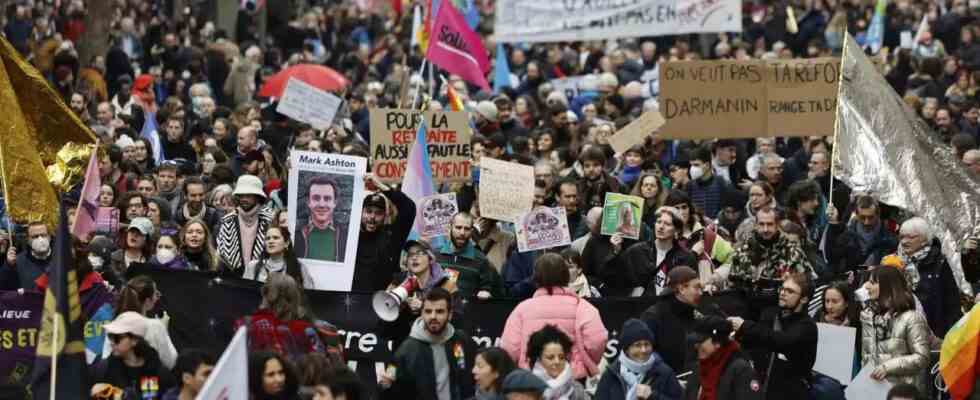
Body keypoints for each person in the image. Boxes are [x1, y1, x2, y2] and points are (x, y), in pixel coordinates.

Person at [501, 253, 608, 380]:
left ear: (535, 278)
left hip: (530, 379)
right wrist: (586, 362)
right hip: (573, 378)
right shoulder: (583, 307)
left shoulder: (522, 309)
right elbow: (597, 341)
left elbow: (509, 348)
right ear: (566, 276)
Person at [727, 272, 818, 400]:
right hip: (763, 389)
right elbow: (758, 341)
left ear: (804, 299)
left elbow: (782, 341)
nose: (782, 293)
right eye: (783, 288)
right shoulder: (772, 315)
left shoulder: (807, 327)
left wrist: (745, 326)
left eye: (790, 291)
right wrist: (736, 336)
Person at [383, 287, 476, 400]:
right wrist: (385, 385)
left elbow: (470, 375)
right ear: (421, 314)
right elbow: (388, 384)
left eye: (439, 311)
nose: (433, 316)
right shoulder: (406, 349)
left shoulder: (461, 340)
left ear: (450, 315)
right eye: (428, 311)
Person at [236, 274, 344, 364]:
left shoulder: (246, 325)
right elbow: (321, 366)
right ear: (296, 296)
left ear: (266, 296)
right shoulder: (311, 329)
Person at [728, 207, 813, 318]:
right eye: (761, 224)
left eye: (770, 224)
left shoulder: (792, 251)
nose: (765, 229)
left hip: (781, 313)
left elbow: (808, 285)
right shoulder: (743, 250)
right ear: (756, 225)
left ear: (777, 225)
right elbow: (733, 284)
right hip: (748, 310)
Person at [860, 266, 931, 394]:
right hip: (874, 391)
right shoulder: (868, 318)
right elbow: (866, 358)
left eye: (873, 282)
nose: (867, 287)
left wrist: (887, 367)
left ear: (888, 285)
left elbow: (922, 357)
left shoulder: (912, 317)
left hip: (904, 393)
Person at [894, 217, 963, 336]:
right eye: (901, 237)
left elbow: (952, 302)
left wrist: (951, 335)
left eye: (911, 237)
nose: (904, 241)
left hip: (934, 332)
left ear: (924, 240)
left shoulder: (939, 262)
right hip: (902, 332)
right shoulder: (892, 261)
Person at [607, 206, 696, 297]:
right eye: (658, 222)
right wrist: (615, 251)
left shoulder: (686, 258)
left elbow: (690, 291)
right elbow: (615, 279)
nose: (661, 227)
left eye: (667, 224)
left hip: (670, 307)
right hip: (639, 307)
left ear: (677, 230)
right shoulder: (636, 251)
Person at [91, 312, 177, 399]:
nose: (112, 342)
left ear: (134, 340)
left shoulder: (158, 372)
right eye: (110, 336)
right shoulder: (104, 369)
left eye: (117, 338)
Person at [353, 174, 416, 291]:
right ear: (361, 212)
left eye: (378, 213)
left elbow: (409, 208)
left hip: (381, 302)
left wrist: (381, 185)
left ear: (385, 216)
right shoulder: (351, 236)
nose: (372, 217)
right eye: (369, 211)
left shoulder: (391, 236)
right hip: (350, 300)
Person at [101, 275, 178, 369]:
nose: (157, 298)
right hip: (147, 380)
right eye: (155, 294)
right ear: (148, 300)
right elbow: (171, 362)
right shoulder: (155, 326)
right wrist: (163, 329)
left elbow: (106, 358)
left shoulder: (114, 325)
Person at [595, 319, 682, 400]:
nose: (643, 350)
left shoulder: (665, 374)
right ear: (627, 349)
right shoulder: (611, 374)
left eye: (647, 344)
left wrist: (652, 395)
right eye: (637, 345)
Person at [640, 266, 703, 375]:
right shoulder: (653, 316)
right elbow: (643, 355)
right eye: (697, 288)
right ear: (681, 289)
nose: (701, 293)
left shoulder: (695, 316)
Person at [683, 316, 761, 400]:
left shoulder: (741, 370)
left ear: (717, 342)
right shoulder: (699, 368)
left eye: (700, 342)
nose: (696, 346)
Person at [436, 212, 506, 300]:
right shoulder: (436, 256)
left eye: (467, 229)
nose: (462, 232)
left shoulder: (481, 259)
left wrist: (486, 293)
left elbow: (495, 291)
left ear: (472, 231)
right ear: (450, 228)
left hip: (469, 311)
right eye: (458, 227)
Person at [217, 174, 276, 275]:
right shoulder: (228, 220)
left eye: (248, 195)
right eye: (241, 195)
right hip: (233, 276)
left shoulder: (271, 219)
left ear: (258, 197)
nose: (244, 199)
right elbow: (221, 253)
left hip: (263, 275)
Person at [524, 325, 589, 400]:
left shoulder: (576, 389)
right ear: (538, 360)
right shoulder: (527, 390)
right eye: (550, 358)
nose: (557, 362)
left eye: (561, 357)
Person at [294, 175, 349, 262]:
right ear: (308, 202)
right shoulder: (295, 236)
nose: (322, 204)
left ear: (335, 202)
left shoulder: (347, 237)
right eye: (316, 198)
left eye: (327, 199)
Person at [812, 281, 862, 376]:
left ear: (846, 303)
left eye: (835, 301)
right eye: (827, 301)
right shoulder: (818, 317)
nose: (829, 306)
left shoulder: (856, 321)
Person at [243, 225, 313, 288]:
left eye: (275, 238)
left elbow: (308, 294)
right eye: (267, 238)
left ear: (286, 243)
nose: (271, 241)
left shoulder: (298, 267)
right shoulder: (253, 266)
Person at [2, 221, 53, 290]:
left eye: (43, 235)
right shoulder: (17, 261)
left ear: (49, 237)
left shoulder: (61, 258)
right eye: (35, 237)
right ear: (28, 240)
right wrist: (8, 265)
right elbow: (4, 288)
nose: (40, 239)